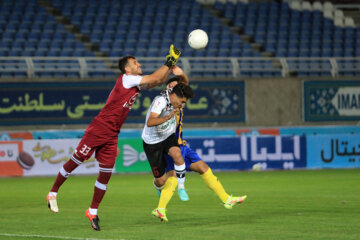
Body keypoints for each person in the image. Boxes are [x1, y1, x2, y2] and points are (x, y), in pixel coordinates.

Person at [46, 45, 181, 231]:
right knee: (76, 160)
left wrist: (169, 67)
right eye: (135, 63)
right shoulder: (127, 79)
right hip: (99, 128)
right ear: (127, 69)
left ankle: (92, 212)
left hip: (112, 134)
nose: (139, 64)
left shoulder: (134, 83)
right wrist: (169, 61)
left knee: (105, 174)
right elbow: (157, 77)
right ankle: (53, 192)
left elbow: (157, 82)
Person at [154, 71, 247, 222]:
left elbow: (185, 82)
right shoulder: (165, 101)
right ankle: (161, 208)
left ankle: (226, 199)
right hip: (171, 147)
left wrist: (179, 71)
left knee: (203, 167)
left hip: (182, 146)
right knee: (172, 177)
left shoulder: (179, 100)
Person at [141, 81, 194, 222]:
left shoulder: (173, 91)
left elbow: (178, 83)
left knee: (178, 155)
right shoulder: (160, 101)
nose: (182, 105)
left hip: (168, 136)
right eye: (182, 102)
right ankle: (158, 187)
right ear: (175, 96)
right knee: (161, 180)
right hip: (152, 142)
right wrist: (168, 118)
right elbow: (150, 122)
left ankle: (182, 188)